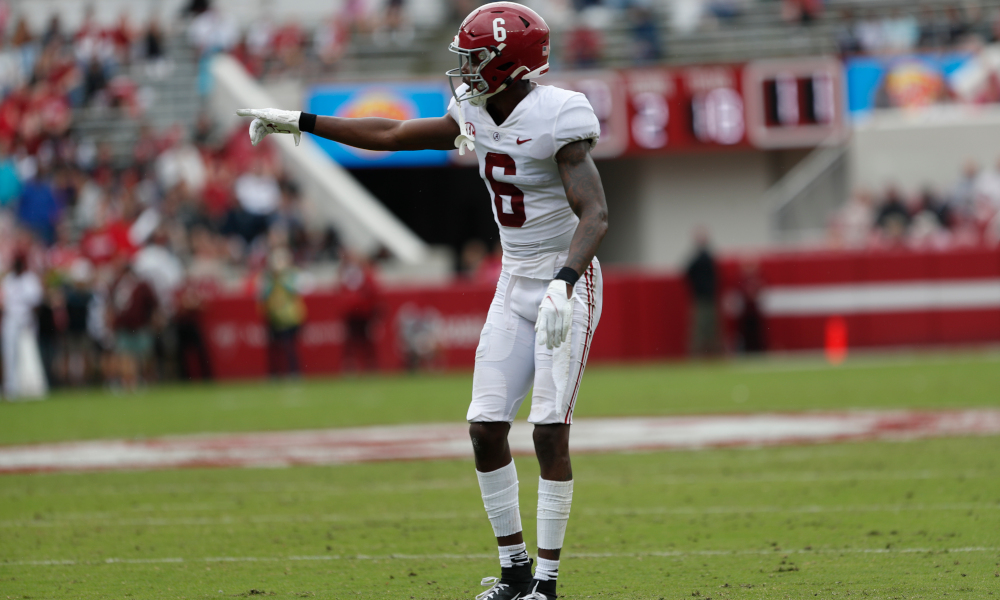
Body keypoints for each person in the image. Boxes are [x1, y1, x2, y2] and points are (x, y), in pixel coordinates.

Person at [236, 4, 609, 598]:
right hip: (515, 281)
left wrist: (566, 279)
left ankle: (546, 583)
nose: (464, 69)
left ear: (511, 65)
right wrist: (300, 122)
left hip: (567, 280)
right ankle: (514, 572)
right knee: (485, 427)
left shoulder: (558, 114)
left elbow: (596, 213)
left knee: (546, 432)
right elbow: (389, 134)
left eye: (476, 58)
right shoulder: (475, 111)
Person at [1, 251, 45, 399]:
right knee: (9, 353)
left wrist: (28, 316)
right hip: (11, 318)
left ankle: (33, 386)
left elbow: (36, 301)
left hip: (26, 319)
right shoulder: (8, 279)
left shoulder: (30, 279)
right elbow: (4, 302)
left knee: (29, 352)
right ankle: (11, 387)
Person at [684, 228, 721, 356]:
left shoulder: (707, 256)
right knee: (701, 327)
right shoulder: (699, 258)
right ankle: (698, 353)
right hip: (702, 297)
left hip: (708, 296)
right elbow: (687, 272)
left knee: (710, 327)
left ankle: (711, 353)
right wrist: (699, 287)